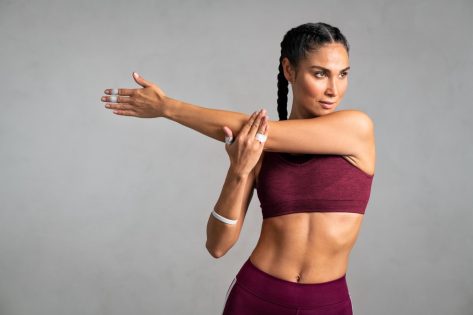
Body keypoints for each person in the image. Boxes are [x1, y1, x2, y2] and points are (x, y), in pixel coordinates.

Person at [100, 22, 375, 315]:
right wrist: (238, 170)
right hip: (257, 295)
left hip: (327, 302)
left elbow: (254, 130)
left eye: (342, 74)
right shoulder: (257, 149)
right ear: (289, 70)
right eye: (320, 74)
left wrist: (167, 107)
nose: (333, 89)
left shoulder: (356, 128)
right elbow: (218, 245)